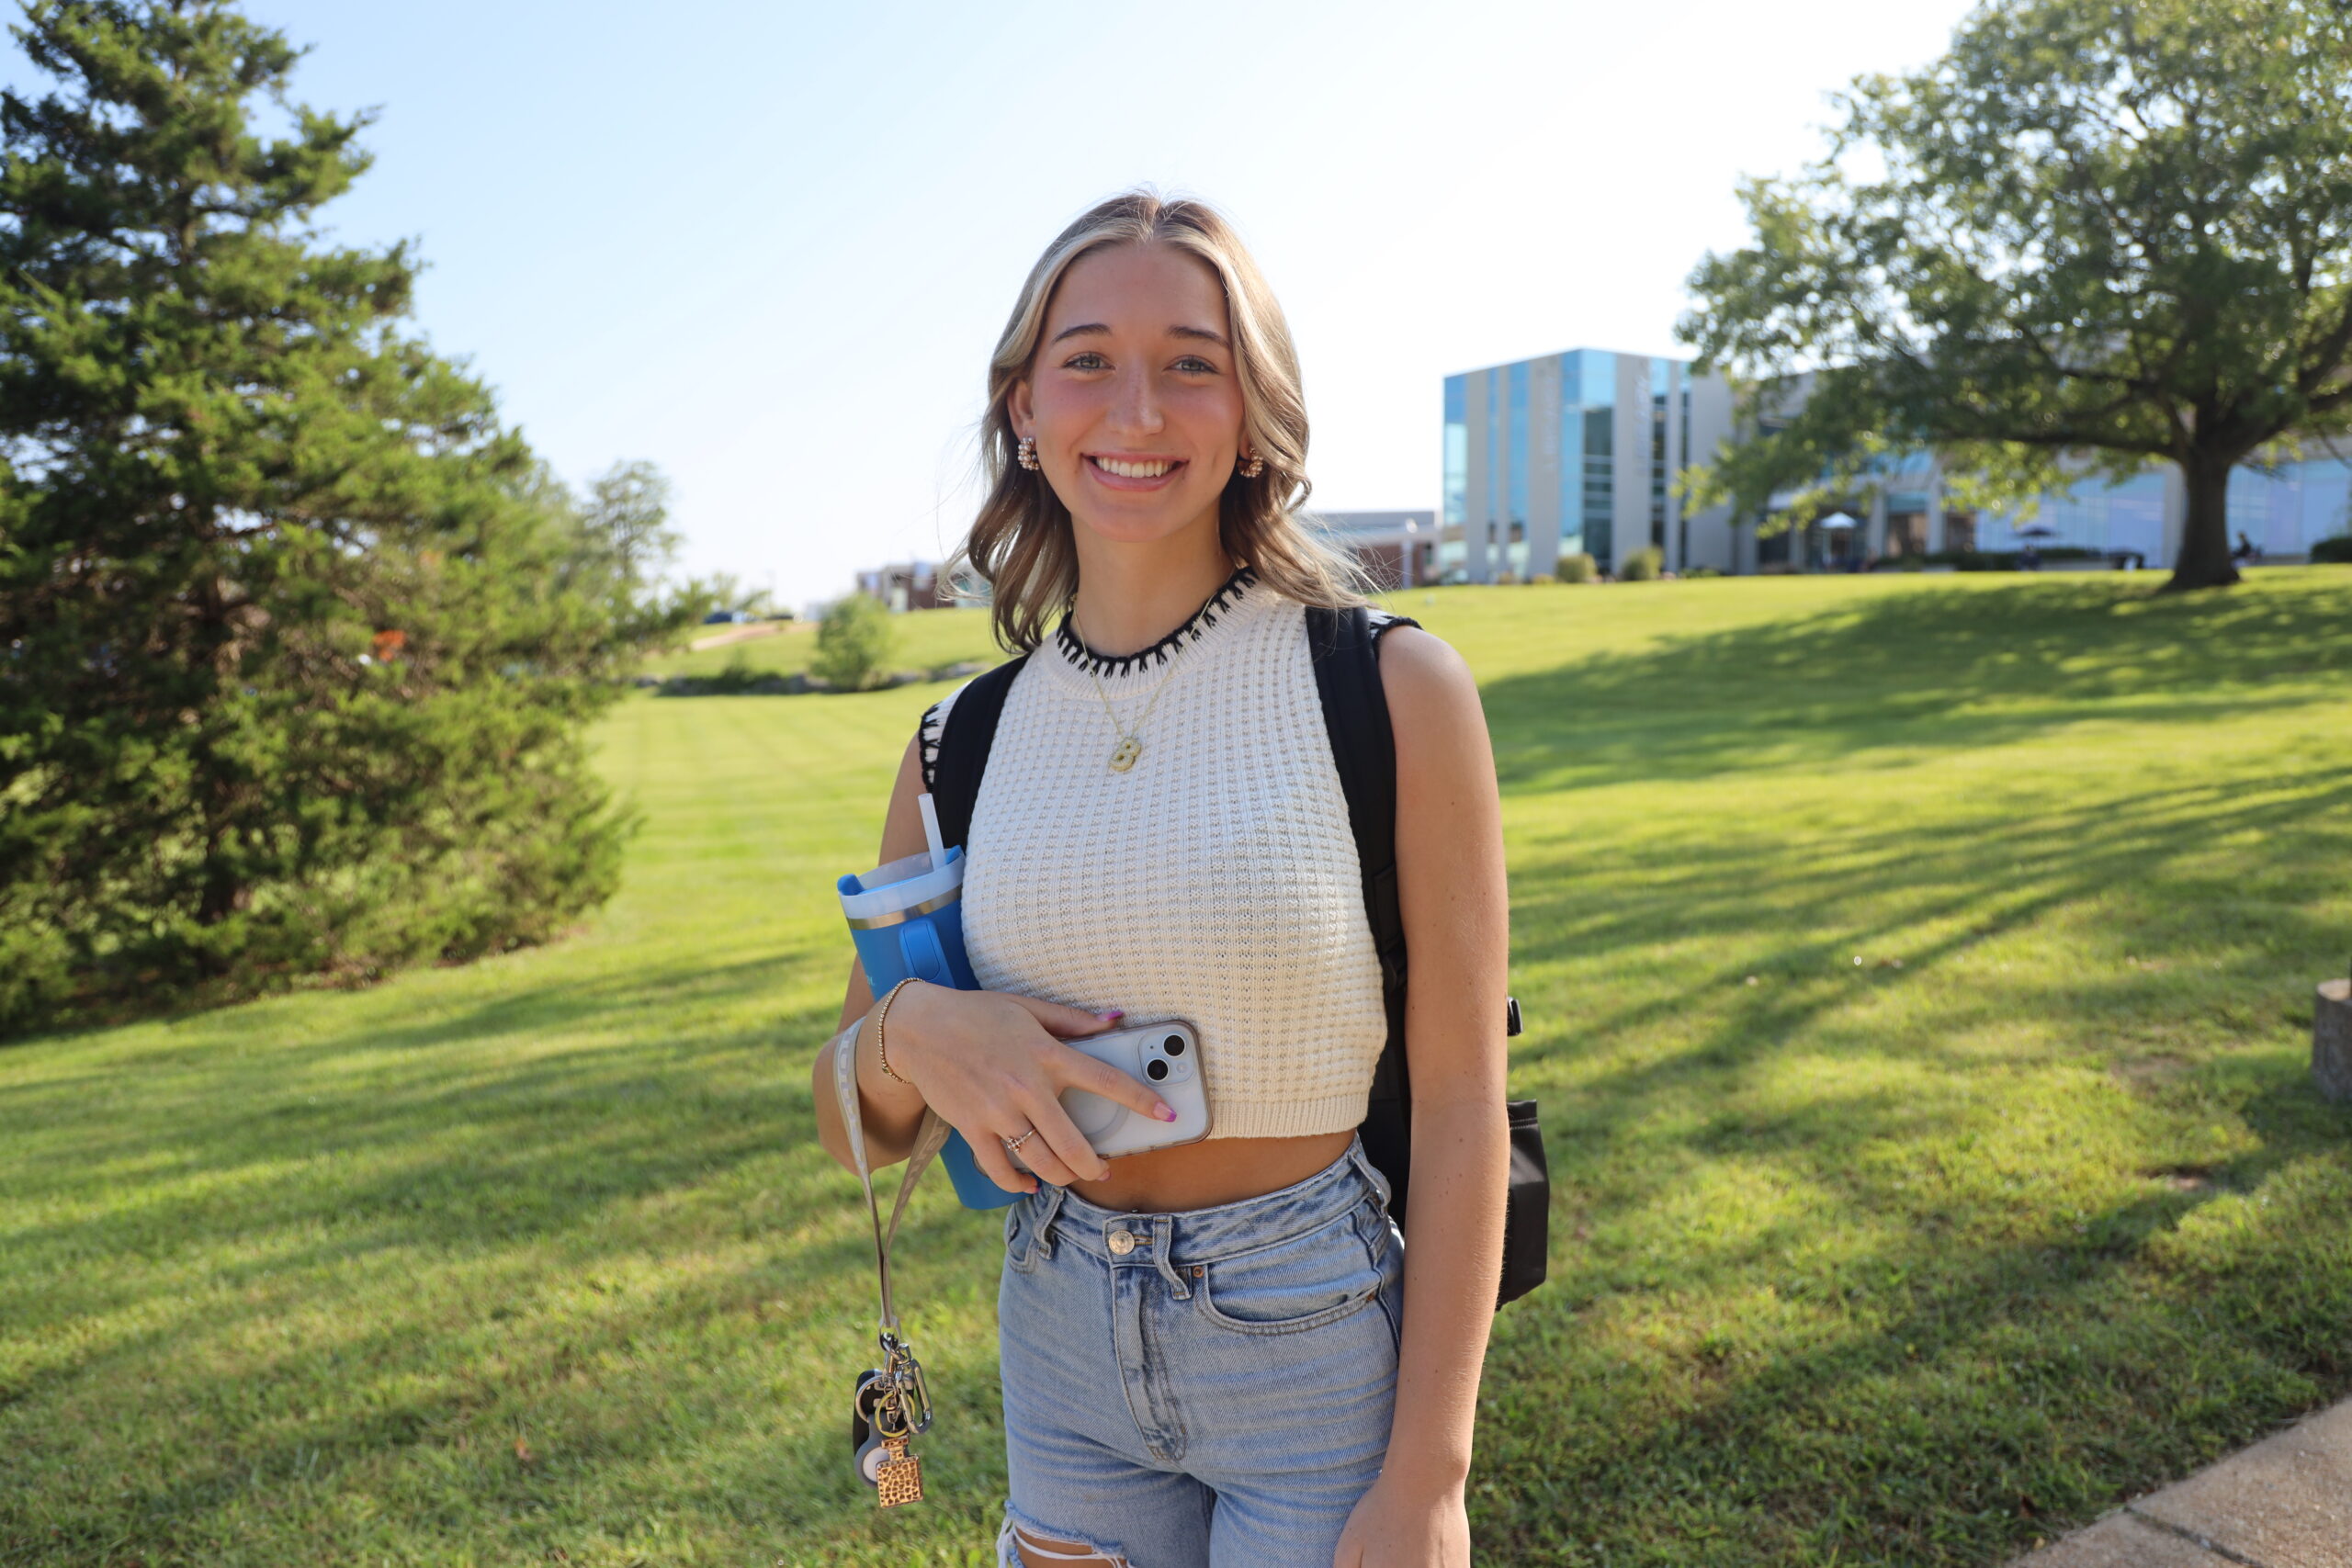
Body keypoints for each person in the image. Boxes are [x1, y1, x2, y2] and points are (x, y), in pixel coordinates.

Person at [811, 191, 1511, 1568]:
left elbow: (1463, 1099)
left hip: (1310, 1341)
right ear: (1024, 406)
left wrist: (1431, 1478)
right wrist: (904, 1033)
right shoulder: (962, 739)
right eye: (1086, 360)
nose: (1136, 410)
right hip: (1058, 1334)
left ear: (1251, 412)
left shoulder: (1387, 684)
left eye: (1192, 362)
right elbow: (856, 1128)